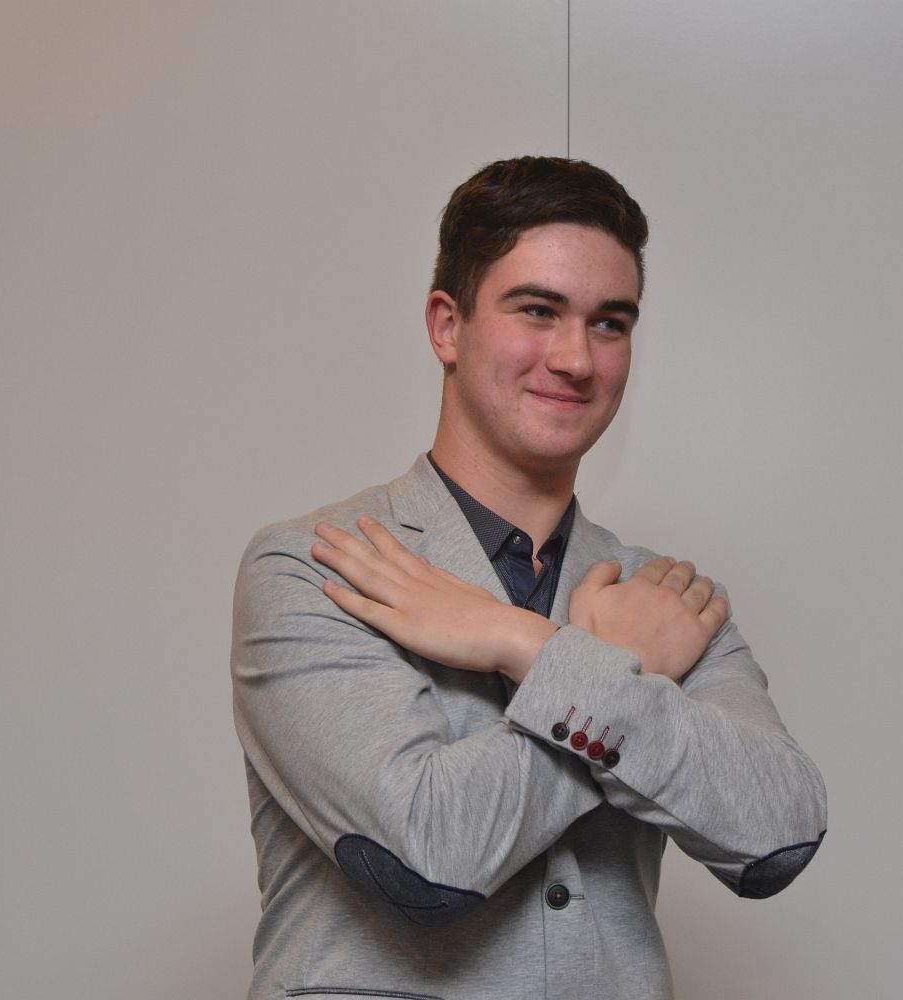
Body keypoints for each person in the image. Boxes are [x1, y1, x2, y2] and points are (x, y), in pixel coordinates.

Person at [230, 156, 826, 1000]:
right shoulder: (316, 566)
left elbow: (779, 832)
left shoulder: (664, 599)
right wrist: (615, 671)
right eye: (538, 310)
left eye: (610, 323)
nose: (576, 358)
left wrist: (524, 643)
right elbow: (425, 858)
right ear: (447, 325)